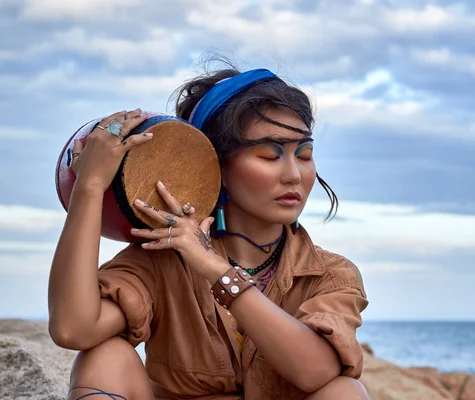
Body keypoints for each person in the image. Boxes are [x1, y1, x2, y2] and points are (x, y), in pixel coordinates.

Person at [48, 67, 369, 400]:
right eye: (269, 155)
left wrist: (215, 270)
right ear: (216, 165)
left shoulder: (330, 275)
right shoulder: (164, 259)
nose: (293, 175)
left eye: (304, 155)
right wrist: (90, 186)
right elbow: (74, 329)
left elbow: (316, 371)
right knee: (105, 357)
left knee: (345, 391)